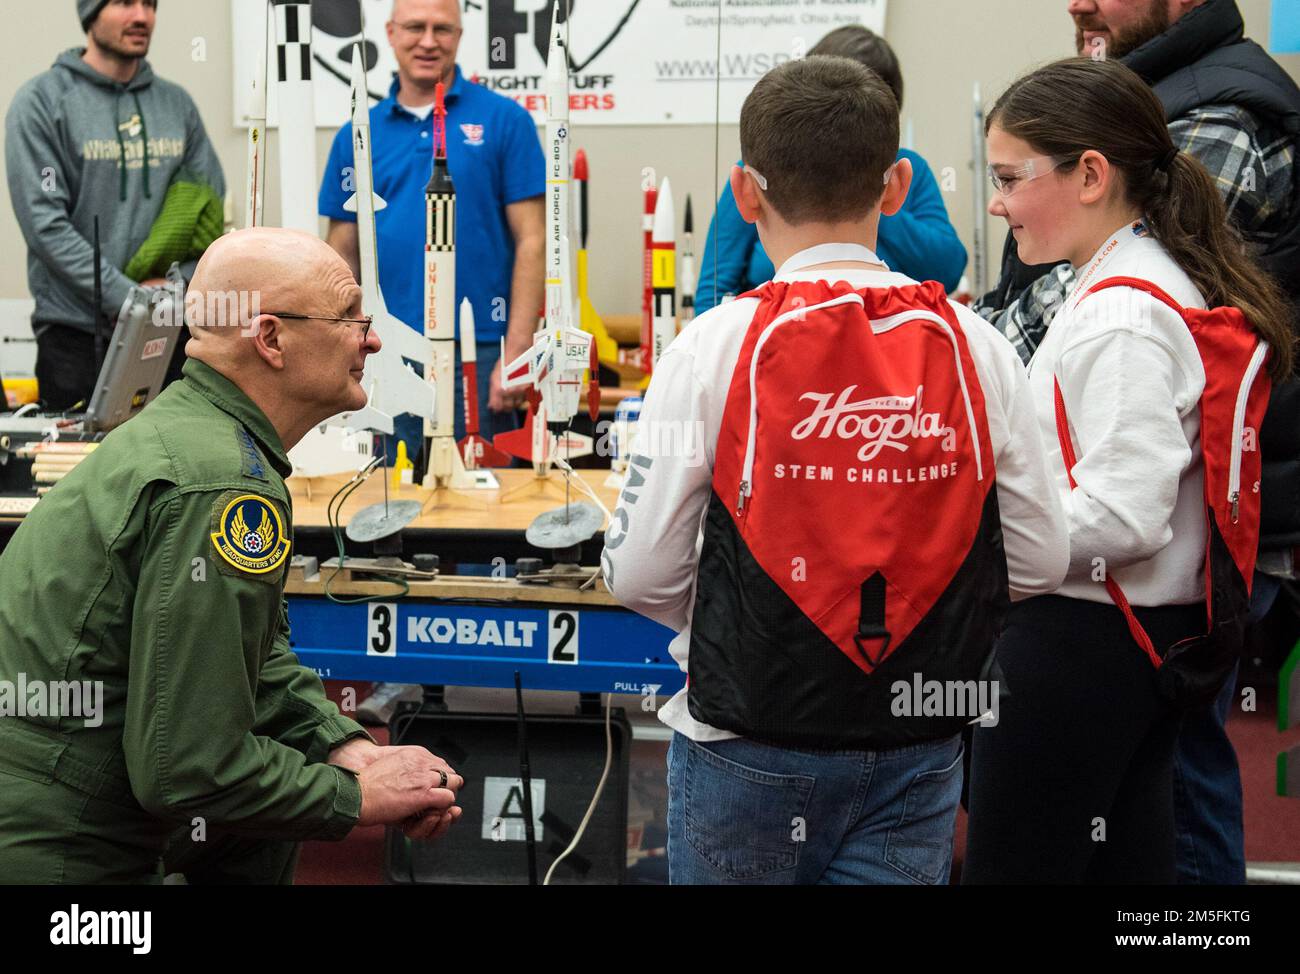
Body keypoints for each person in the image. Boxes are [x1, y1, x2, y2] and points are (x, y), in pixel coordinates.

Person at [603, 56, 1067, 885]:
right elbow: (1037, 560)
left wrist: (751, 616)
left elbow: (638, 569)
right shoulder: (980, 344)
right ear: (895, 186)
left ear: (746, 195)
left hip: (748, 732)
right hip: (921, 731)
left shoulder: (710, 346)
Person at [0, 229, 466, 884]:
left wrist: (348, 749)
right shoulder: (222, 484)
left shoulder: (193, 433)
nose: (373, 338)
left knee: (262, 820)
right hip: (64, 849)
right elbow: (186, 770)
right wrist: (355, 798)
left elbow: (249, 658)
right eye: (350, 318)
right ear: (271, 340)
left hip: (60, 804)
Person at [973, 0, 1300, 886]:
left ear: (1088, 174)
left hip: (1084, 644)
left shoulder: (1121, 310)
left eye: (1009, 178)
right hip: (1117, 638)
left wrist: (982, 537)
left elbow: (1125, 511)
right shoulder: (1123, 280)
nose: (998, 204)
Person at [319, 0, 544, 455]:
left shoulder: (506, 122)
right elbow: (340, 254)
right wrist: (336, 347)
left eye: (441, 29)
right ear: (390, 33)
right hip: (381, 353)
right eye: (415, 27)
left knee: (480, 512)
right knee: (384, 500)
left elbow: (533, 240)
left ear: (460, 35)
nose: (427, 41)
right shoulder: (358, 135)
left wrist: (516, 351)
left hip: (479, 352)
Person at [4, 0, 226, 411]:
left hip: (167, 332)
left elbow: (207, 214)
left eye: (149, 4)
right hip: (75, 338)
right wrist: (129, 299)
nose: (141, 17)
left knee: (172, 467)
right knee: (78, 471)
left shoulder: (177, 106)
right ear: (90, 15)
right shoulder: (40, 104)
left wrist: (175, 290)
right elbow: (46, 227)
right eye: (124, 3)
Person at [694, 25, 967, 312]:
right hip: (774, 343)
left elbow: (947, 268)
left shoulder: (908, 169)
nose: (835, 124)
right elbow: (713, 290)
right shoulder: (761, 169)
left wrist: (864, 187)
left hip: (892, 341)